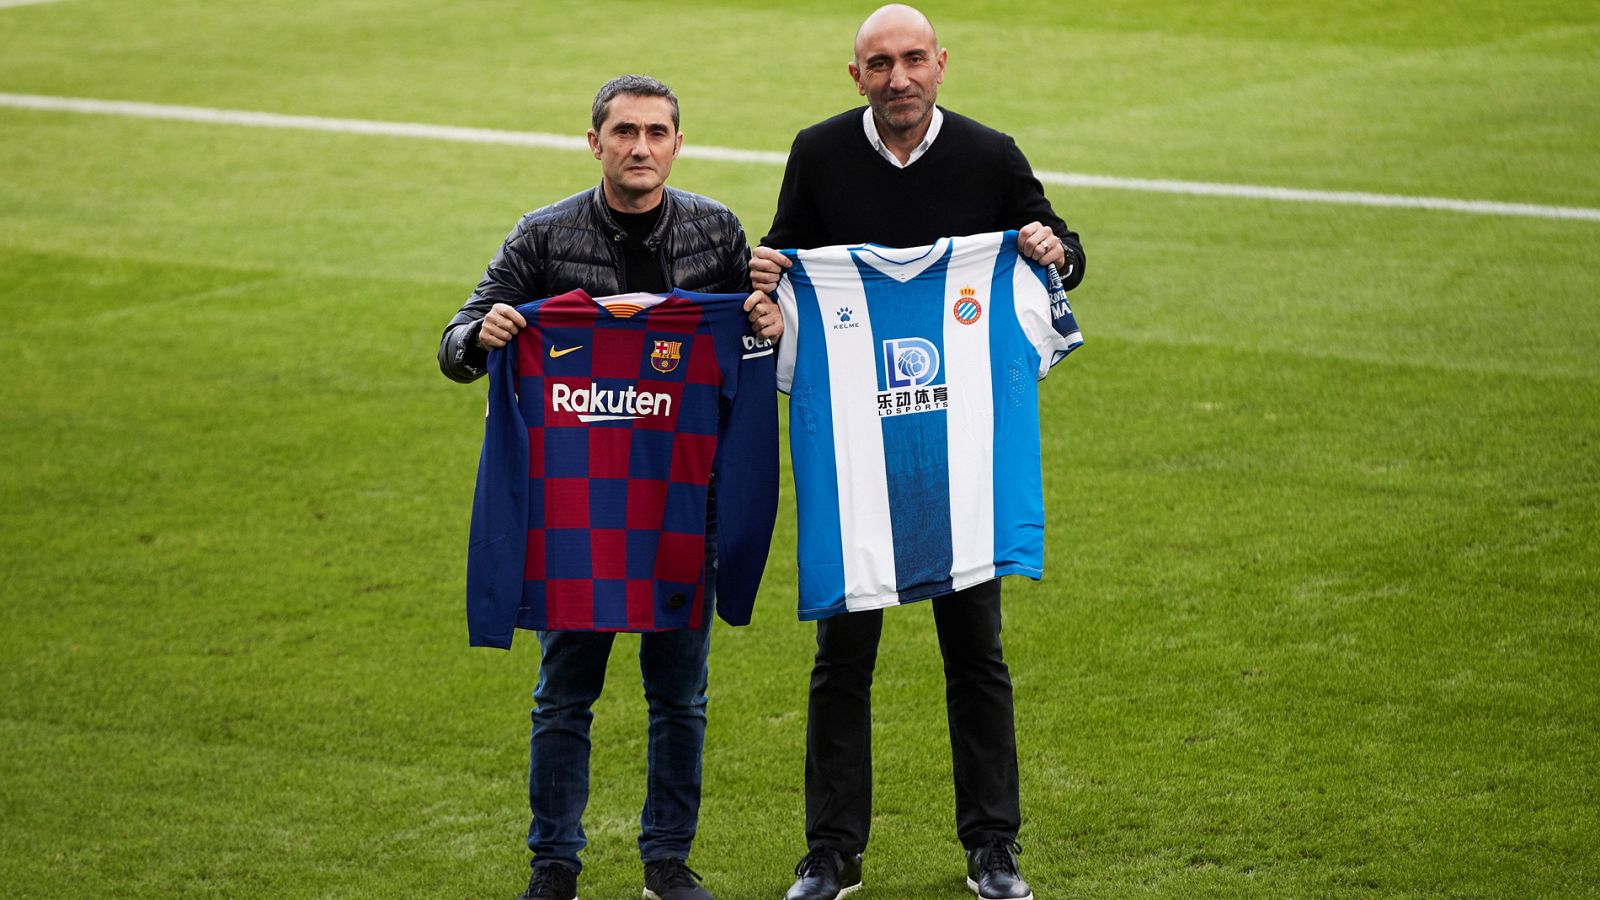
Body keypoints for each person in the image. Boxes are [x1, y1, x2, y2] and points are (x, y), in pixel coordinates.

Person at [743, 7, 1086, 900]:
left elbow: (1058, 250)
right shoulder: (818, 154)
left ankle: (993, 847)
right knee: (842, 656)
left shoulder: (988, 153)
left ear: (942, 64)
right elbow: (785, 250)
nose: (898, 78)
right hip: (858, 458)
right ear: (854, 75)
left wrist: (1057, 248)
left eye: (912, 61)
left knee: (976, 653)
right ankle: (831, 853)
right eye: (879, 64)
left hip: (959, 461)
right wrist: (768, 279)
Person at [439, 74, 761, 900]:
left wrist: (767, 324)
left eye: (656, 132)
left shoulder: (718, 230)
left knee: (679, 697)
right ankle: (554, 863)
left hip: (684, 505)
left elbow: (751, 355)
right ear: (595, 142)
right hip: (578, 512)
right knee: (564, 695)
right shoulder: (543, 237)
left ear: (678, 143)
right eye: (624, 132)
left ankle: (666, 862)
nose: (640, 147)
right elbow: (455, 340)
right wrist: (485, 332)